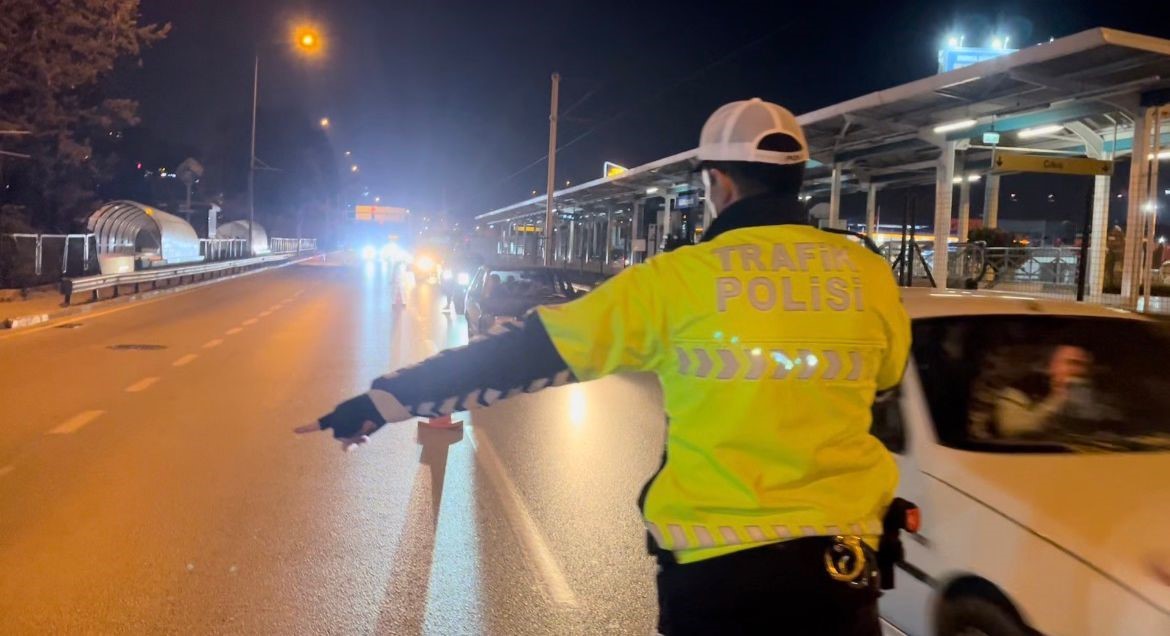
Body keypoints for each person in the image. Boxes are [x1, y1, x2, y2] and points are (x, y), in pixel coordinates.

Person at [296, 98, 911, 635]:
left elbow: (529, 351)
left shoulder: (678, 282)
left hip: (719, 579)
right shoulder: (866, 274)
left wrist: (388, 399)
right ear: (799, 178)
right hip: (841, 575)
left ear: (717, 183)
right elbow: (884, 382)